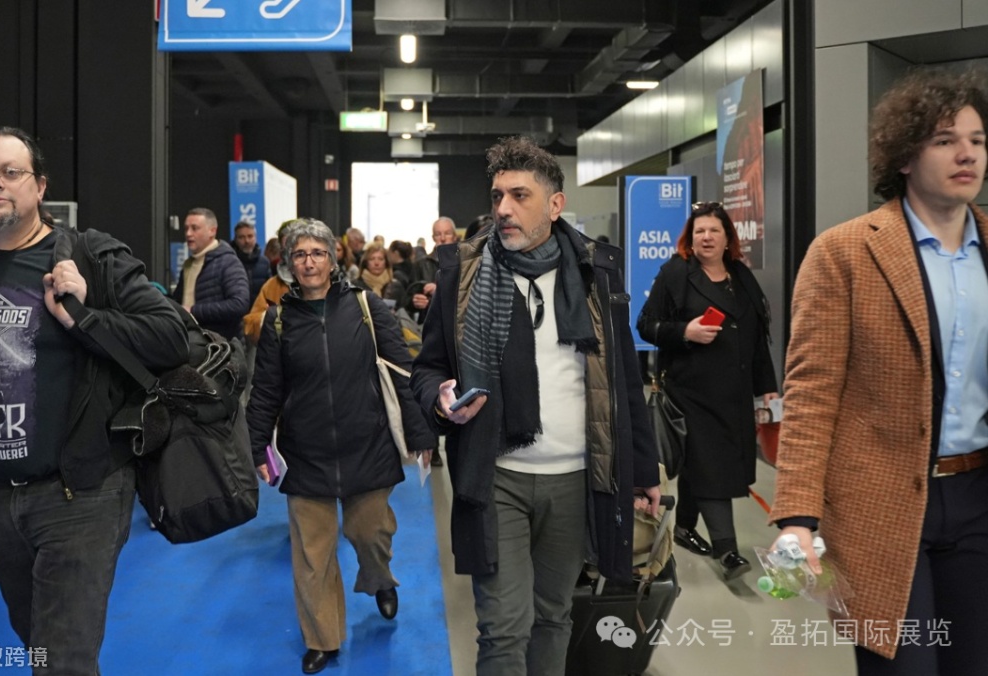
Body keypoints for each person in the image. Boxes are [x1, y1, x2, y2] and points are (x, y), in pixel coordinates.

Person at [0, 126, 188, 674]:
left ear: (39, 187)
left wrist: (87, 315)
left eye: (10, 172)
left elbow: (171, 337)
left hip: (79, 495)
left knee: (61, 661)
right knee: (37, 642)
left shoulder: (90, 256)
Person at [410, 136, 661, 676]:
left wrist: (643, 470)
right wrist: (441, 398)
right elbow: (427, 369)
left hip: (575, 479)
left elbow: (623, 379)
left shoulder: (596, 273)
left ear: (554, 204)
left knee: (553, 616)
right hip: (494, 474)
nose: (503, 208)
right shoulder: (463, 273)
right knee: (503, 628)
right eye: (497, 196)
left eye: (519, 195)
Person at [770, 69, 988, 675]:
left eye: (977, 139)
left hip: (978, 498)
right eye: (945, 139)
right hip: (879, 505)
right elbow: (811, 394)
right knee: (904, 663)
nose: (967, 153)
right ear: (904, 155)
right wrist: (797, 517)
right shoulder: (844, 252)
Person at [247, 219, 435, 675]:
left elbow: (402, 372)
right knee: (312, 556)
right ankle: (322, 639)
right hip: (305, 454)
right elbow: (266, 391)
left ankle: (379, 578)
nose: (309, 262)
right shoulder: (277, 321)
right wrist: (255, 448)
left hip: (367, 444)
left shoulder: (366, 307)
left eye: (317, 253)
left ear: (333, 260)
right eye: (299, 254)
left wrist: (421, 435)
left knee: (370, 532)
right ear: (289, 264)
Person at [636, 201, 778, 579]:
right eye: (699, 231)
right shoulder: (676, 273)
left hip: (734, 394)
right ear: (690, 238)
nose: (706, 237)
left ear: (728, 237)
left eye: (714, 230)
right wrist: (685, 331)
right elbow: (646, 324)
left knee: (704, 466)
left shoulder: (740, 277)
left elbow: (756, 338)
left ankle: (684, 527)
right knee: (712, 467)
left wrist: (768, 387)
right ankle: (727, 551)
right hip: (691, 392)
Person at [172, 207, 248, 340]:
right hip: (192, 341)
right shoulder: (189, 264)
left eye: (195, 228)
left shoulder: (228, 262)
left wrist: (193, 311)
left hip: (221, 345)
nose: (188, 234)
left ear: (212, 231)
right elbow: (179, 301)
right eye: (186, 228)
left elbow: (239, 304)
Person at [244, 218, 298, 343]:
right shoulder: (273, 285)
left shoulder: (325, 283)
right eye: (287, 247)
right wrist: (271, 317)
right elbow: (250, 326)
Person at [410, 216, 458, 322]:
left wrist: (440, 290)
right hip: (430, 321)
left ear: (455, 236)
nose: (443, 238)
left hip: (458, 322)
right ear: (433, 238)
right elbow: (409, 299)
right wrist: (415, 302)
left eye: (447, 233)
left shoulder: (465, 262)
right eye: (438, 234)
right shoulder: (421, 264)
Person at [232, 220, 271, 310]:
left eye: (250, 236)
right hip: (236, 314)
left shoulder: (264, 262)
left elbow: (270, 290)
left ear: (255, 237)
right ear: (236, 240)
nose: (247, 241)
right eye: (241, 237)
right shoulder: (229, 262)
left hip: (259, 313)